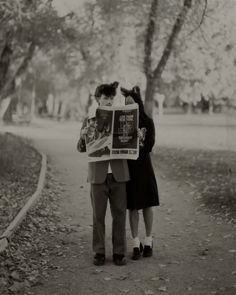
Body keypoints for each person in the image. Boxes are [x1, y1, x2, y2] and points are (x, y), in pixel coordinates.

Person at [77, 81, 129, 266]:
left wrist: (134, 137)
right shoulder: (89, 120)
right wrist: (84, 136)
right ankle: (99, 252)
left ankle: (119, 252)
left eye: (111, 98)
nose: (108, 101)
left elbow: (130, 146)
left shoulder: (123, 118)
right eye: (105, 98)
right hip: (98, 174)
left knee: (120, 214)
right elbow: (80, 148)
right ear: (98, 99)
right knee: (98, 215)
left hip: (118, 173)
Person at [121, 86, 159, 260]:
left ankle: (149, 241)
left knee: (147, 204)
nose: (129, 108)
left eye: (132, 105)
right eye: (126, 105)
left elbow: (150, 146)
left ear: (138, 105)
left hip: (144, 167)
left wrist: (140, 138)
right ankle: (136, 244)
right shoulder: (121, 123)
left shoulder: (147, 122)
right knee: (133, 206)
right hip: (129, 168)